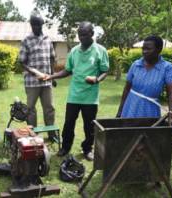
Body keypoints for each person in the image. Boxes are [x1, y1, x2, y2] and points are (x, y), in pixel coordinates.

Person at [43, 21, 109, 161]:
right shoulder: (74, 51)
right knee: (69, 123)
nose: (81, 38)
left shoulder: (100, 50)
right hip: (74, 95)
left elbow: (105, 71)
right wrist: (52, 76)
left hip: (90, 97)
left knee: (89, 125)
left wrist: (96, 79)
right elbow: (67, 70)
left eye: (84, 35)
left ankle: (87, 149)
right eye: (79, 35)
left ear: (92, 34)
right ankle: (65, 147)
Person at [116, 35, 172, 122]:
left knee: (147, 134)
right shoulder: (136, 65)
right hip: (131, 107)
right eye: (143, 48)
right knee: (128, 133)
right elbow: (126, 89)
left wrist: (171, 113)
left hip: (150, 110)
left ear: (159, 50)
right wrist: (119, 112)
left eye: (148, 49)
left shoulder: (167, 67)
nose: (144, 51)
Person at [19, 11, 57, 140]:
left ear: (42, 24)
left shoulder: (48, 39)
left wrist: (53, 75)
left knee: (49, 108)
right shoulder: (26, 40)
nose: (36, 27)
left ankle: (52, 134)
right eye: (34, 24)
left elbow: (52, 58)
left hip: (47, 81)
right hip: (32, 82)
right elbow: (22, 62)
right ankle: (32, 134)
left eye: (39, 24)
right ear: (31, 24)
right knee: (30, 109)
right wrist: (35, 73)